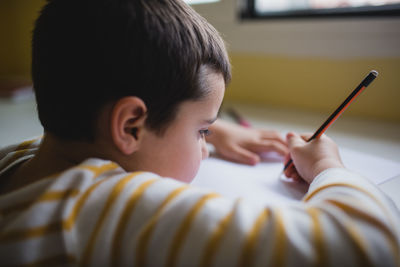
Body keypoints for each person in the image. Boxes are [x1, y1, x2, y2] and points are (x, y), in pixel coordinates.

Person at [0, 0, 399, 266]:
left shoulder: (23, 162)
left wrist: (215, 129)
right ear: (129, 126)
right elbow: (369, 244)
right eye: (202, 132)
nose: (206, 147)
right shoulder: (102, 211)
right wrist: (328, 165)